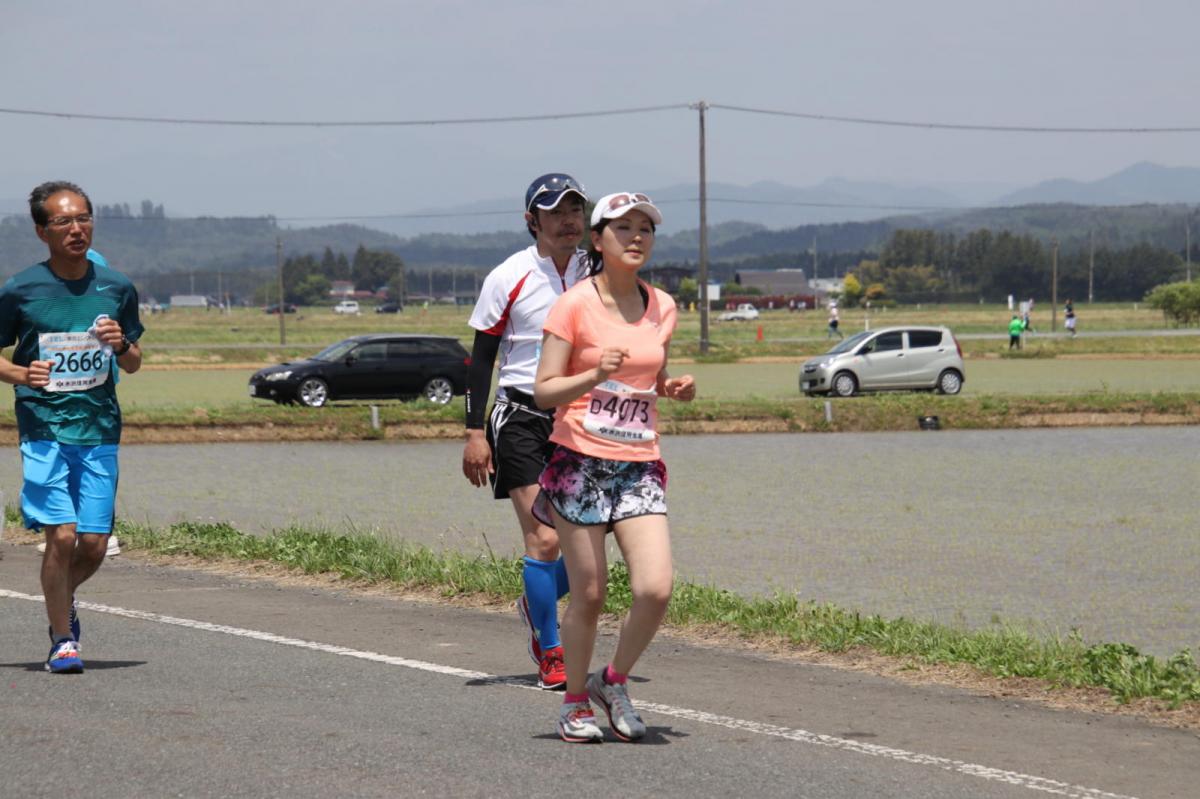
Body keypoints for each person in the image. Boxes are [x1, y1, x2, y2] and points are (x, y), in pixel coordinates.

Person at [532, 192, 695, 743]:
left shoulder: (663, 306)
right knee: (592, 594)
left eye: (645, 228)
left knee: (655, 587)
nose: (636, 237)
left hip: (638, 462)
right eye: (623, 227)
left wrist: (672, 387)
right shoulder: (574, 305)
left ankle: (613, 680)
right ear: (598, 239)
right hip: (579, 460)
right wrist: (592, 374)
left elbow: (652, 374)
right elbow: (543, 390)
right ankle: (573, 703)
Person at [0, 181, 144, 674]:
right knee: (61, 536)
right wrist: (22, 373)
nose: (76, 228)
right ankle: (63, 639)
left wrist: (121, 343)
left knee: (94, 544)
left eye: (83, 218)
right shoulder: (20, 289)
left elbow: (135, 363)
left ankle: (60, 597)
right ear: (43, 231)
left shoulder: (117, 286)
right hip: (43, 426)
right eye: (63, 221)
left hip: (100, 428)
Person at [461, 173, 590, 690]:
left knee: (592, 545)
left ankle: (534, 602)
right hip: (519, 416)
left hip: (579, 418)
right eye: (556, 211)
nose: (568, 221)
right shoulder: (509, 275)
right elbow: (482, 358)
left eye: (576, 210)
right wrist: (474, 433)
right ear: (532, 220)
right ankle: (552, 649)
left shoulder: (596, 270)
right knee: (544, 538)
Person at [34, 247, 122, 559]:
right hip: (54, 408)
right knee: (61, 462)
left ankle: (100, 530)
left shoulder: (104, 303)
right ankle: (61, 530)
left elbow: (126, 357)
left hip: (94, 406)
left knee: (96, 459)